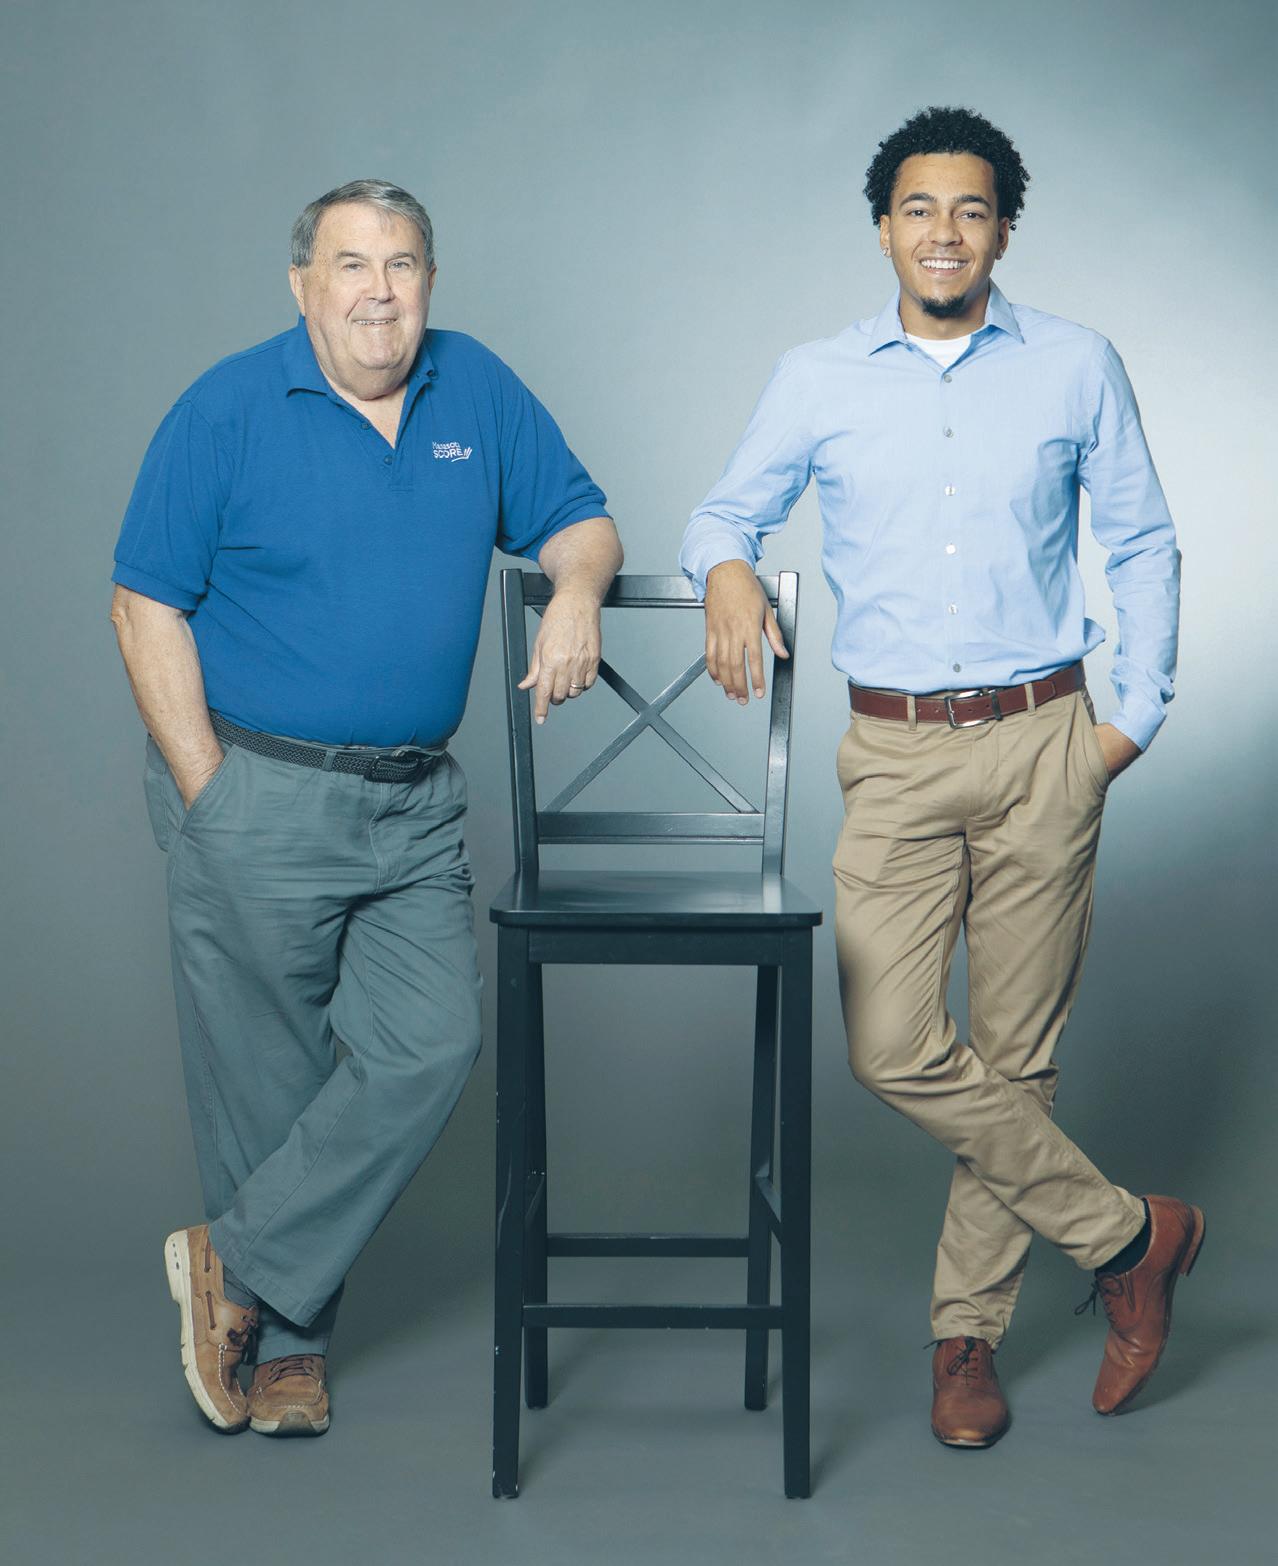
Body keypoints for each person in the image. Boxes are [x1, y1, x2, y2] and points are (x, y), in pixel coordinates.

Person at [680, 107, 1202, 1448]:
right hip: (895, 754)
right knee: (893, 1042)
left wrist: (1131, 719)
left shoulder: (1077, 363)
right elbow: (721, 512)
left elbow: (1142, 540)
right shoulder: (816, 377)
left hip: (1046, 740)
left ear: (1003, 231)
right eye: (919, 208)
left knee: (1016, 1057)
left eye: (970, 209)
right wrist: (727, 567)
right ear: (883, 230)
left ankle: (964, 1339)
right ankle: (1129, 1236)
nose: (944, 233)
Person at [111, 179, 622, 1437]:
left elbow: (582, 521)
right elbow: (143, 603)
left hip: (412, 805)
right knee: (268, 1082)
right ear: (304, 285)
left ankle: (234, 1265)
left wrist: (575, 591)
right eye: (351, 265)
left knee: (430, 1044)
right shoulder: (227, 409)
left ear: (430, 282)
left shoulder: (474, 387)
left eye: (401, 264)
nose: (378, 292)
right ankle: (290, 1354)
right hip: (255, 788)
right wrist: (209, 793)